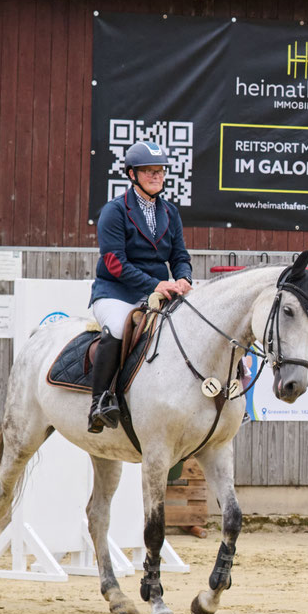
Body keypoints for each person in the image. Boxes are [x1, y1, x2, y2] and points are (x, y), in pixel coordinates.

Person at [88, 139, 192, 432]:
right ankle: (99, 401)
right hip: (116, 292)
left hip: (158, 292)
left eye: (160, 171)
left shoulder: (170, 212)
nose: (156, 176)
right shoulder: (115, 211)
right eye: (149, 171)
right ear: (132, 174)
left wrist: (184, 278)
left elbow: (180, 256)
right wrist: (156, 284)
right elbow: (114, 263)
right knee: (121, 327)